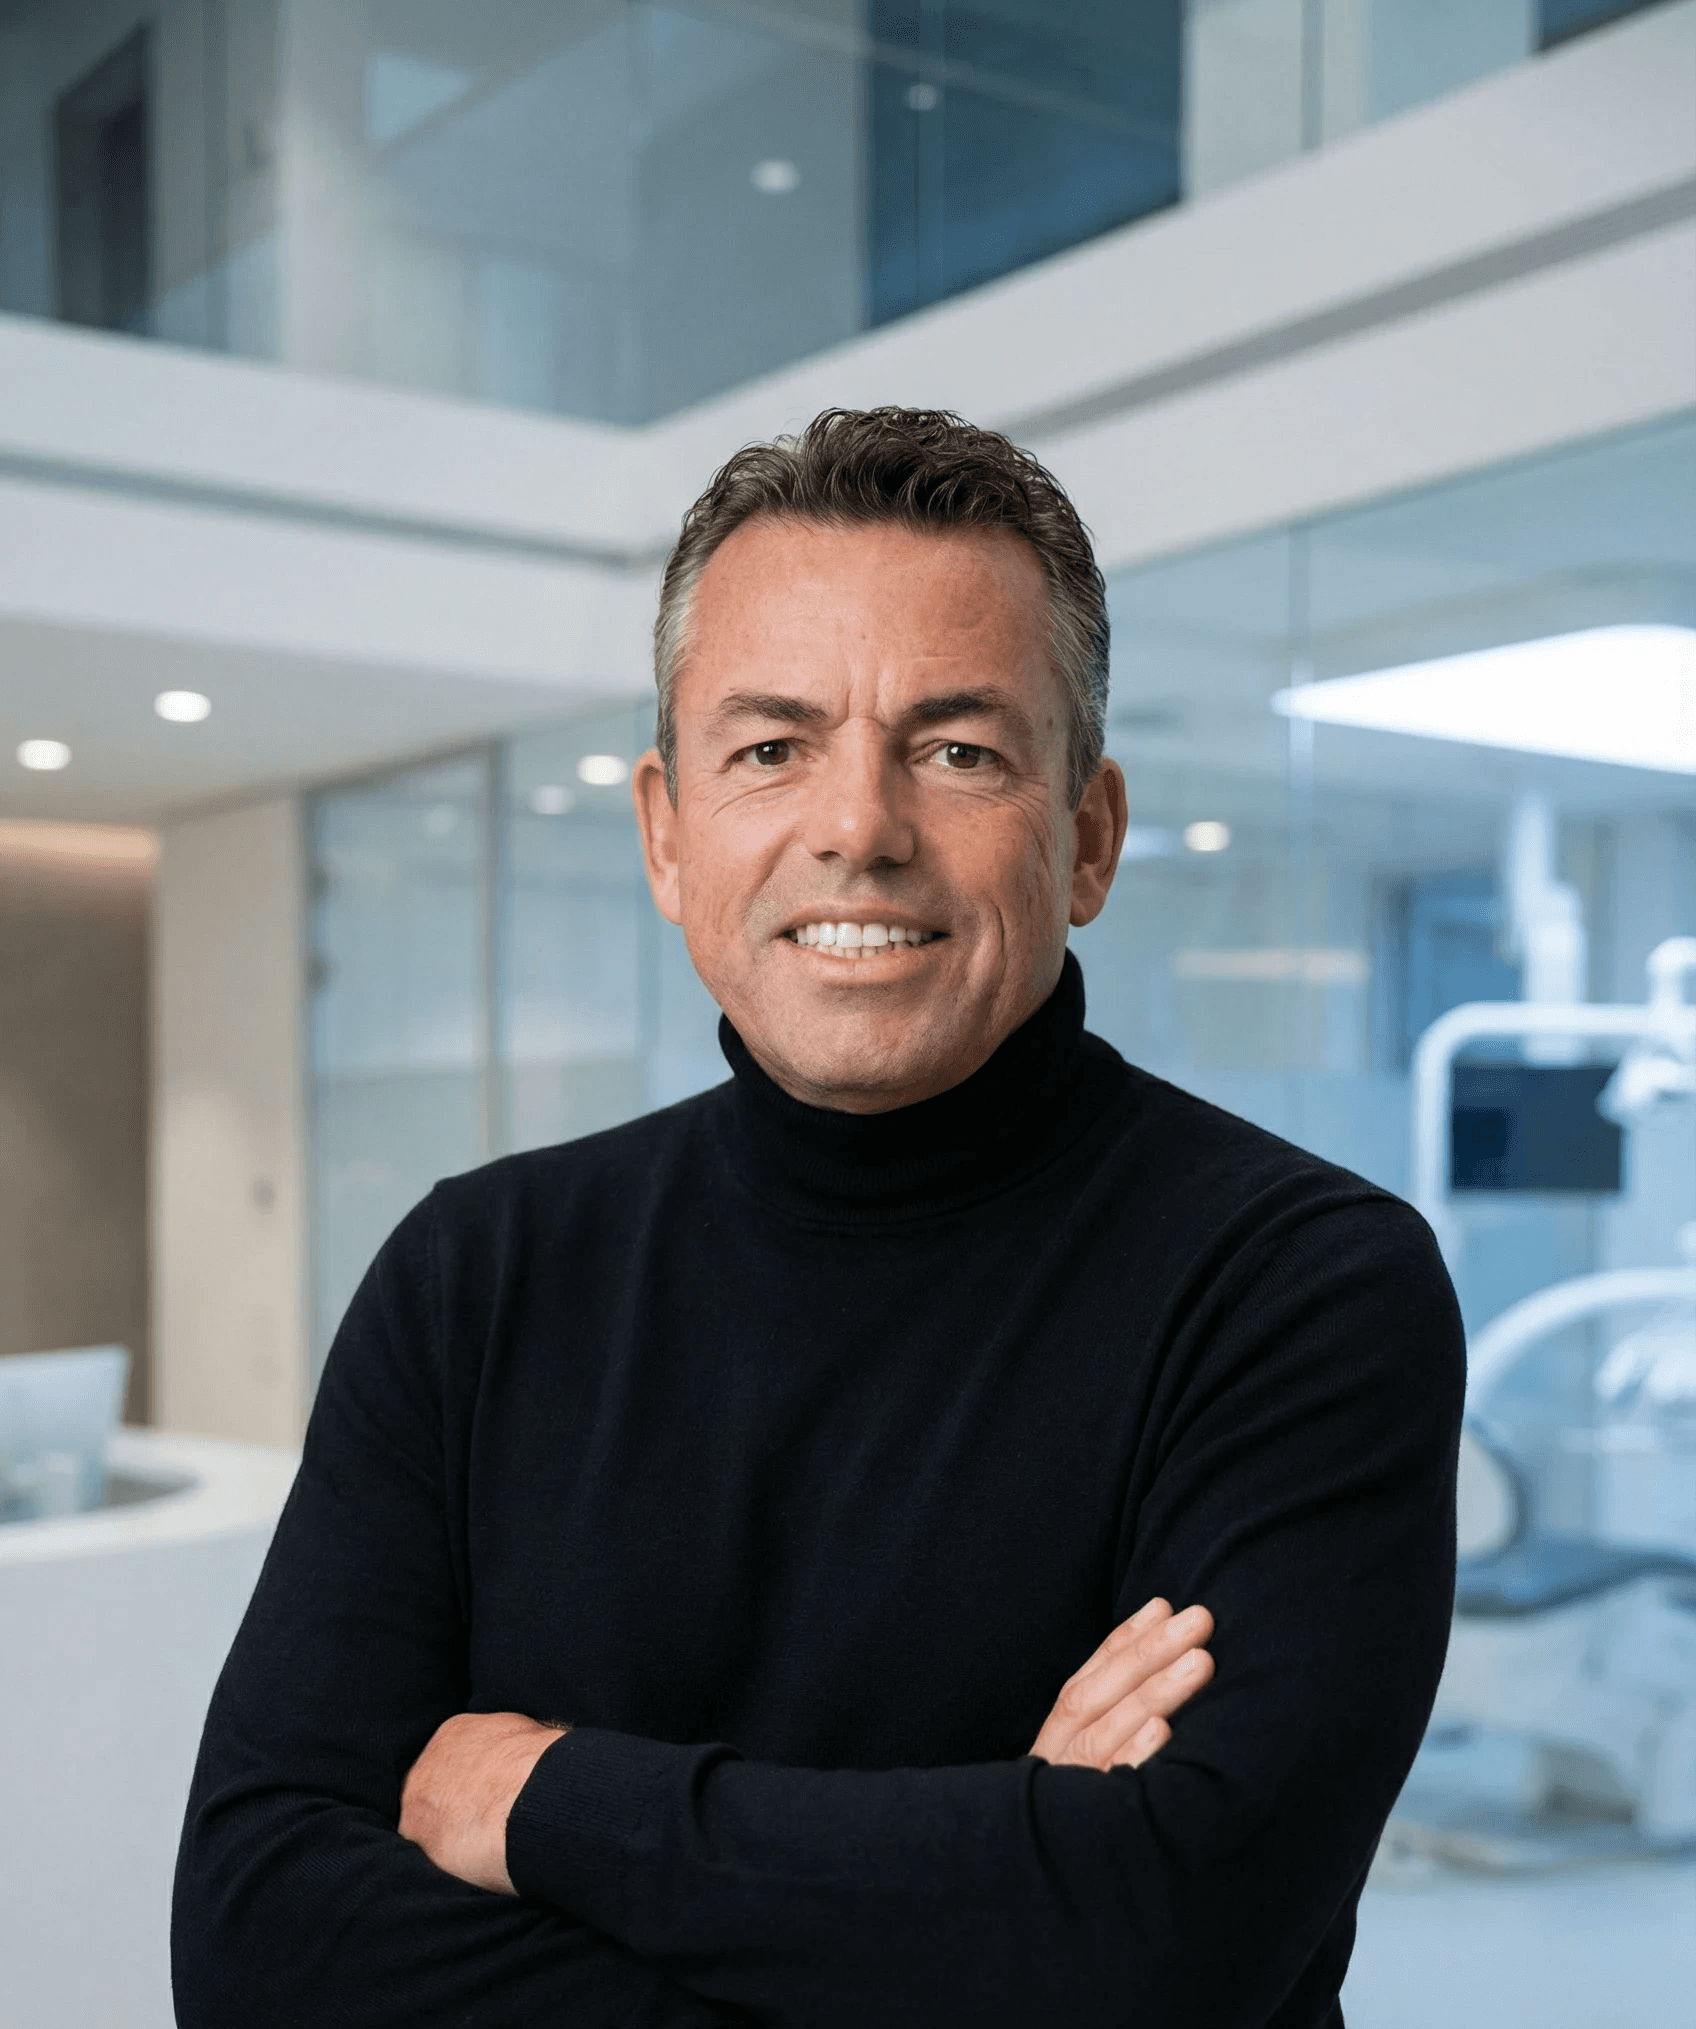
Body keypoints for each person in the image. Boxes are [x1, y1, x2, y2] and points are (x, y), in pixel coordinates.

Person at [173, 408, 1463, 2028]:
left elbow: (1170, 1939)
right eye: (771, 746)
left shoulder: (1297, 1284)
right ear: (665, 829)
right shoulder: (477, 1274)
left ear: (1086, 837)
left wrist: (552, 1803)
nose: (859, 826)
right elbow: (256, 1949)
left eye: (959, 749)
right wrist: (991, 1893)